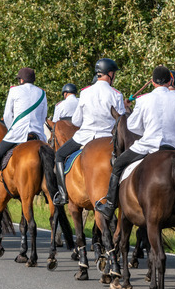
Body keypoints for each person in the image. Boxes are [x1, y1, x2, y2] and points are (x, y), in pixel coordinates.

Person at [94, 65, 175, 220]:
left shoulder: (143, 100)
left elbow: (133, 126)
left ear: (153, 83)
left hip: (148, 146)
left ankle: (109, 205)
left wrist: (147, 130)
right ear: (169, 82)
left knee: (119, 163)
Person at [53, 58, 126, 205]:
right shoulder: (116, 94)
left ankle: (62, 195)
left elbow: (76, 121)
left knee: (60, 155)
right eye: (114, 74)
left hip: (84, 137)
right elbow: (122, 121)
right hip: (108, 139)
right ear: (110, 73)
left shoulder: (85, 92)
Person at [0, 68, 48, 206]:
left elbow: (7, 116)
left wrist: (12, 128)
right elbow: (43, 116)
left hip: (17, 134)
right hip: (37, 135)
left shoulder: (14, 90)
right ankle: (54, 191)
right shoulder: (42, 93)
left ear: (21, 80)